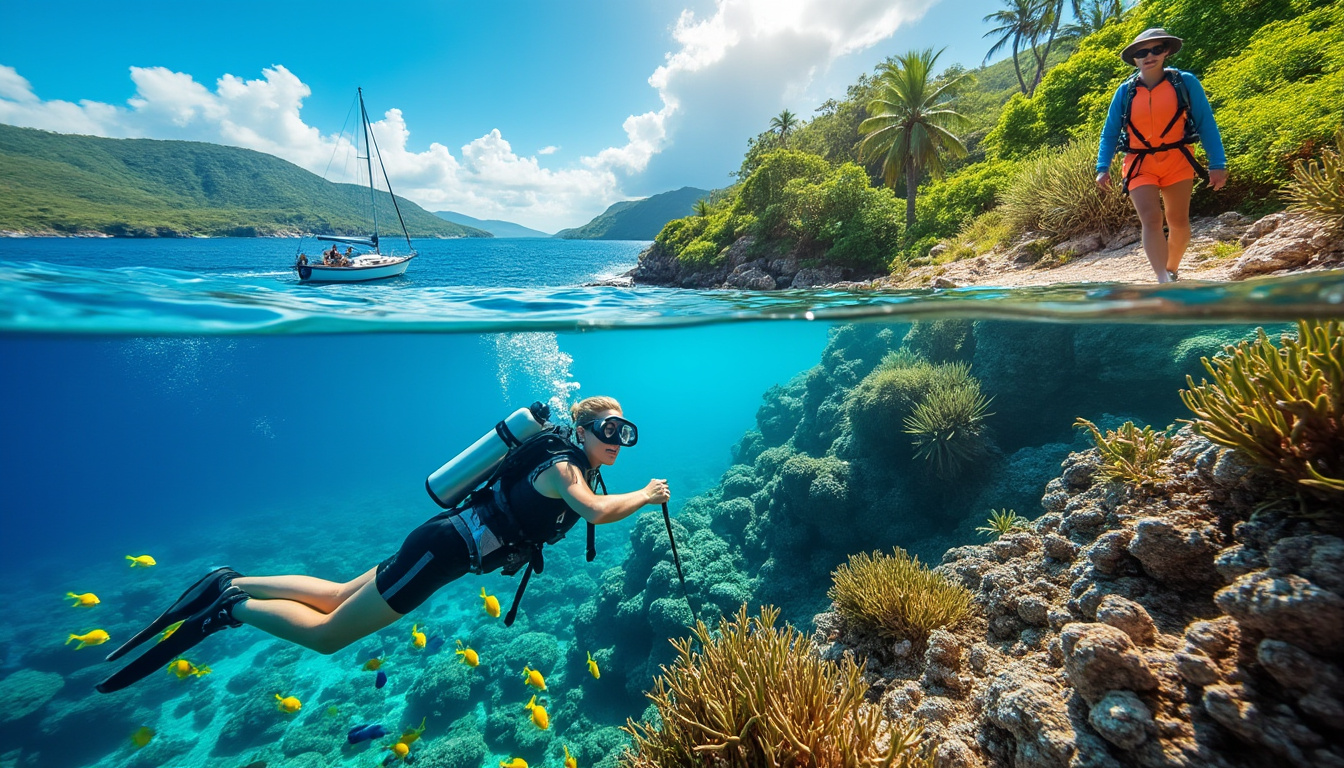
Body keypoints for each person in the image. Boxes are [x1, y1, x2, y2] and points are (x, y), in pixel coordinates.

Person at [95, 397, 668, 693]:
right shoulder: (562, 467)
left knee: (338, 593)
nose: (617, 442)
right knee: (327, 636)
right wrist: (644, 495)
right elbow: (594, 511)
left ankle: (231, 580)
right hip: (442, 551)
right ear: (583, 429)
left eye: (625, 433)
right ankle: (231, 609)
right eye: (609, 431)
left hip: (442, 544)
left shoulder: (572, 461)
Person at [1096, 28, 1227, 283]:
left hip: (1178, 160)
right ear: (1134, 58)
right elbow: (1109, 132)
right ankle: (1162, 279)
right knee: (1151, 219)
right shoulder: (1124, 92)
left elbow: (1206, 124)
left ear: (1166, 50)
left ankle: (1171, 268)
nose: (1150, 56)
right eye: (1142, 52)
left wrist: (1217, 163)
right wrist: (1103, 167)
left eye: (1156, 49)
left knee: (1178, 221)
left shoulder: (1185, 82)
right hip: (1139, 164)